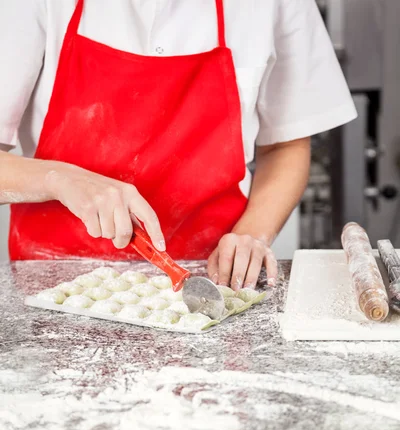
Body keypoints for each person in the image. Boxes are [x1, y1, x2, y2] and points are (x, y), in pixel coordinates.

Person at [0, 0, 356, 290]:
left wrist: (253, 233)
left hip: (209, 282)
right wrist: (61, 179)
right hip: (55, 285)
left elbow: (285, 145)